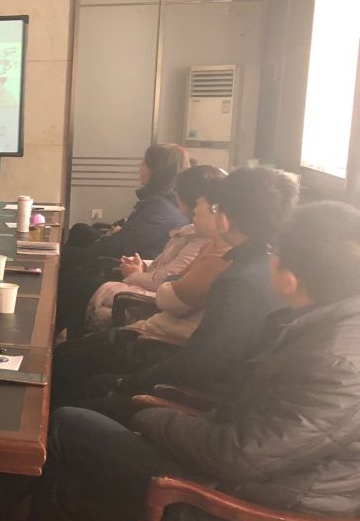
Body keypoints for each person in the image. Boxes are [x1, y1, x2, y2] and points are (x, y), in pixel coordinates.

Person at [0, 200, 360, 521]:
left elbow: (238, 454)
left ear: (291, 277)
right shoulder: (326, 327)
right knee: (67, 483)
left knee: (67, 423)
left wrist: (149, 418)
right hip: (251, 483)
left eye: (276, 252)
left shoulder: (336, 360)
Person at [53, 165, 298, 414]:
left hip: (183, 392)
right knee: (70, 360)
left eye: (216, 207)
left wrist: (128, 384)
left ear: (224, 219)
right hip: (185, 366)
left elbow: (202, 360)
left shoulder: (238, 279)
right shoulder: (265, 265)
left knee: (72, 380)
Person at [56, 143, 190, 338]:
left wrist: (71, 254)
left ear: (155, 170)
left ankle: (48, 339)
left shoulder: (161, 209)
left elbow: (122, 246)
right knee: (77, 237)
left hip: (129, 268)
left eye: (144, 163)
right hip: (134, 262)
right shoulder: (159, 202)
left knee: (65, 271)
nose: (140, 168)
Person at [85, 164, 226, 331]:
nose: (196, 208)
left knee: (81, 284)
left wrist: (137, 274)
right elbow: (171, 278)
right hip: (158, 313)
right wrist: (144, 267)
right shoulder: (207, 242)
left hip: (161, 332)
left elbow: (169, 294)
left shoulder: (214, 252)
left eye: (200, 203)